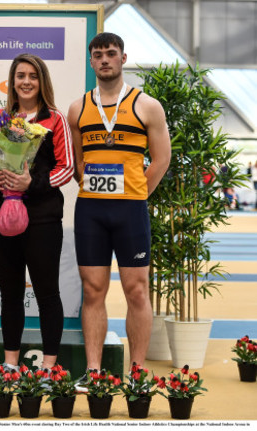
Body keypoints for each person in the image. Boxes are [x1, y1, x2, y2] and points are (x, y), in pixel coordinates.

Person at [67, 32, 171, 373]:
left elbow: (161, 160)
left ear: (123, 58)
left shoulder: (147, 106)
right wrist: (96, 188)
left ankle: (137, 371)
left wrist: (137, 192)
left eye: (111, 54)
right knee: (93, 290)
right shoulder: (78, 108)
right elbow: (78, 164)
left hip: (130, 211)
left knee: (137, 291)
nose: (104, 60)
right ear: (91, 61)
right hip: (91, 211)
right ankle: (94, 370)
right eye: (98, 55)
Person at [0, 54, 74, 372]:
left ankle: (49, 366)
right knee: (10, 293)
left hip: (43, 220)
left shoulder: (55, 119)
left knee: (47, 292)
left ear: (42, 82)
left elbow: (67, 169)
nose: (25, 81)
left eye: (32, 76)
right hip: (3, 219)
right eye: (20, 75)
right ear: (12, 82)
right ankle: (10, 364)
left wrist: (31, 182)